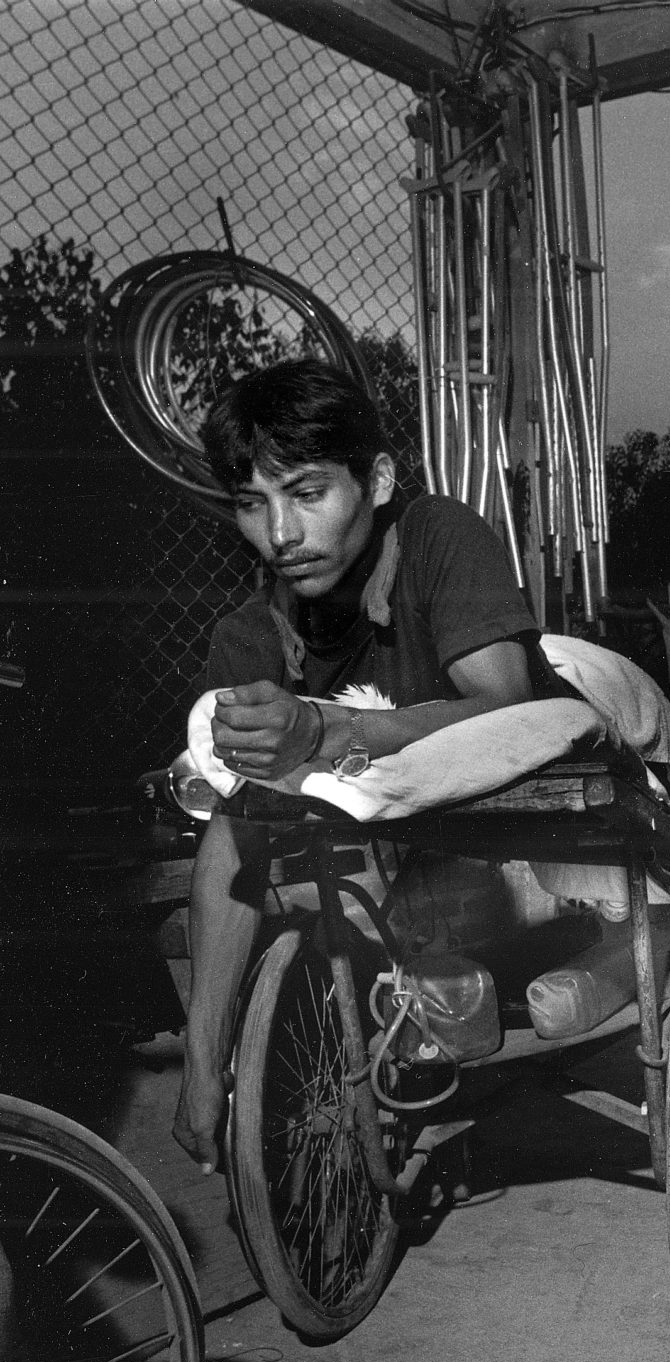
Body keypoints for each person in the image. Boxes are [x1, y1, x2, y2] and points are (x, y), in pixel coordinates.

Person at [170, 360, 546, 1171]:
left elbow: (509, 709)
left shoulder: (439, 538)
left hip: (512, 862)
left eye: (306, 492)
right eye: (251, 503)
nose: (280, 534)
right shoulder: (248, 636)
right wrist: (203, 1068)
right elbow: (230, 837)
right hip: (378, 896)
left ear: (376, 479)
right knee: (242, 825)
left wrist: (321, 728)